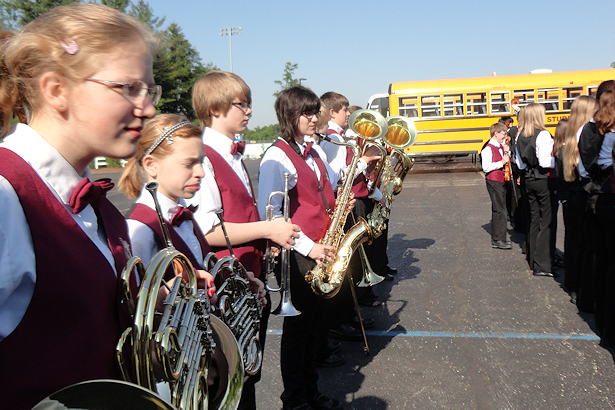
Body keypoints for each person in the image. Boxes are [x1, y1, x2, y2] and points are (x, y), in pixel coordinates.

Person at [0, 4, 160, 408]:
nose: (149, 108)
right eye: (129, 88)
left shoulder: (97, 203)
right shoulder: (6, 194)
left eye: (149, 89)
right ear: (56, 90)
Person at [189, 70, 300, 410]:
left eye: (250, 104)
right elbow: (207, 231)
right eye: (242, 104)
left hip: (246, 282)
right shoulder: (204, 157)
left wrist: (267, 235)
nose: (249, 111)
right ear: (215, 108)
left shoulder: (233, 154)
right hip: (226, 289)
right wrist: (267, 230)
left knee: (249, 372)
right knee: (232, 382)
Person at [258, 86, 344, 410]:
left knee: (313, 329)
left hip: (322, 249)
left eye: (314, 111)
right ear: (289, 116)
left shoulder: (312, 150)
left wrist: (338, 204)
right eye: (306, 112)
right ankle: (294, 401)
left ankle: (311, 392)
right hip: (301, 255)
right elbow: (272, 216)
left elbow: (320, 193)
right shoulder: (276, 157)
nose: (313, 117)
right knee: (298, 333)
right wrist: (311, 248)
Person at [118, 114, 218, 288]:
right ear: (151, 165)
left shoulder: (182, 212)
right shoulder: (139, 229)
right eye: (189, 164)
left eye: (201, 162)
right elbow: (138, 304)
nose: (201, 173)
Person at [576, 82, 615, 346]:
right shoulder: (611, 131)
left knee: (601, 262)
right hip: (610, 198)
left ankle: (604, 322)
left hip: (594, 198)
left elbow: (583, 168)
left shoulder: (588, 129)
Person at [561, 95, 599, 305]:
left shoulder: (570, 135)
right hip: (584, 191)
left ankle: (573, 282)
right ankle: (585, 290)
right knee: (586, 244)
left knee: (574, 240)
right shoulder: (585, 134)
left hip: (572, 190)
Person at [515, 103, 556, 277]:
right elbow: (546, 162)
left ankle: (533, 258)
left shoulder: (519, 136)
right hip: (542, 179)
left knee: (534, 218)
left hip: (528, 179)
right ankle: (543, 264)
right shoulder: (543, 134)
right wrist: (560, 160)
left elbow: (520, 163)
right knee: (546, 221)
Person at [481, 122, 512, 249]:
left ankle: (499, 238)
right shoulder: (488, 148)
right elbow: (486, 167)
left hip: (501, 180)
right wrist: (501, 162)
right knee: (500, 210)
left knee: (501, 209)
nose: (504, 137)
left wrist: (507, 154)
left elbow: (505, 161)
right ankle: (498, 239)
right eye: (503, 134)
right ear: (496, 133)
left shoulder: (500, 146)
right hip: (494, 181)